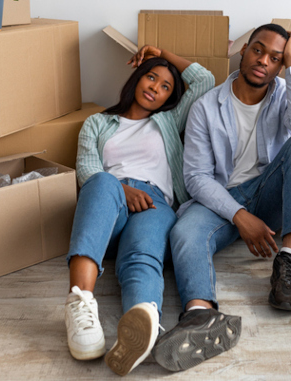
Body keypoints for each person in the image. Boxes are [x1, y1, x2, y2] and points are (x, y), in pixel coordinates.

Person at [151, 24, 291, 372]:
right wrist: (239, 216)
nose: (263, 61)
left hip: (270, 190)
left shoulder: (286, 94)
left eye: (275, 58)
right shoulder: (206, 106)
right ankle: (201, 316)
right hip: (222, 199)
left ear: (281, 65)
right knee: (183, 232)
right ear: (243, 50)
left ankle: (289, 260)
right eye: (258, 50)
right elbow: (197, 178)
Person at [64, 45, 214, 376]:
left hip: (155, 202)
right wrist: (122, 189)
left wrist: (163, 54)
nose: (155, 88)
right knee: (102, 180)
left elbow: (204, 80)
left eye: (165, 87)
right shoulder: (97, 123)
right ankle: (80, 304)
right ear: (136, 78)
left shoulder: (169, 121)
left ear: (168, 100)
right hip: (109, 204)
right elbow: (87, 170)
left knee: (143, 255)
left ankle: (144, 325)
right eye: (151, 77)